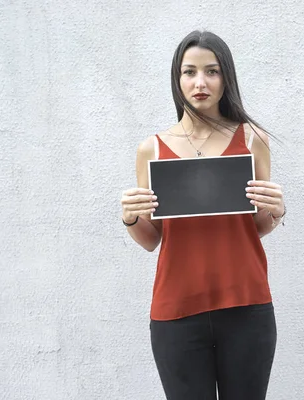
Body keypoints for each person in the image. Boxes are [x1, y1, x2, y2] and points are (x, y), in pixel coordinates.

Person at [120, 30, 286, 400]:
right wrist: (131, 217)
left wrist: (276, 211)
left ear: (226, 77)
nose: (200, 82)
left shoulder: (252, 138)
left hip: (246, 305)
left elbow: (253, 226)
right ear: (177, 80)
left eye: (211, 71)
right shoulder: (152, 149)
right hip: (176, 309)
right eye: (189, 71)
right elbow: (152, 240)